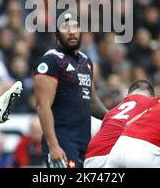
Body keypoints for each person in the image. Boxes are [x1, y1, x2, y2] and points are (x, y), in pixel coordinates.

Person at [33, 11, 108, 168]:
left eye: (76, 27)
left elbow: (92, 102)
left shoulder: (86, 61)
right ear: (57, 33)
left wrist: (114, 118)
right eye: (66, 27)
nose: (72, 31)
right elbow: (42, 106)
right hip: (61, 141)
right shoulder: (51, 60)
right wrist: (53, 145)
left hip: (84, 141)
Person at [84, 79, 159, 168]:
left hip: (91, 158)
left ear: (127, 96)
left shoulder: (112, 112)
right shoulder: (153, 103)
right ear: (152, 97)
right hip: (115, 159)